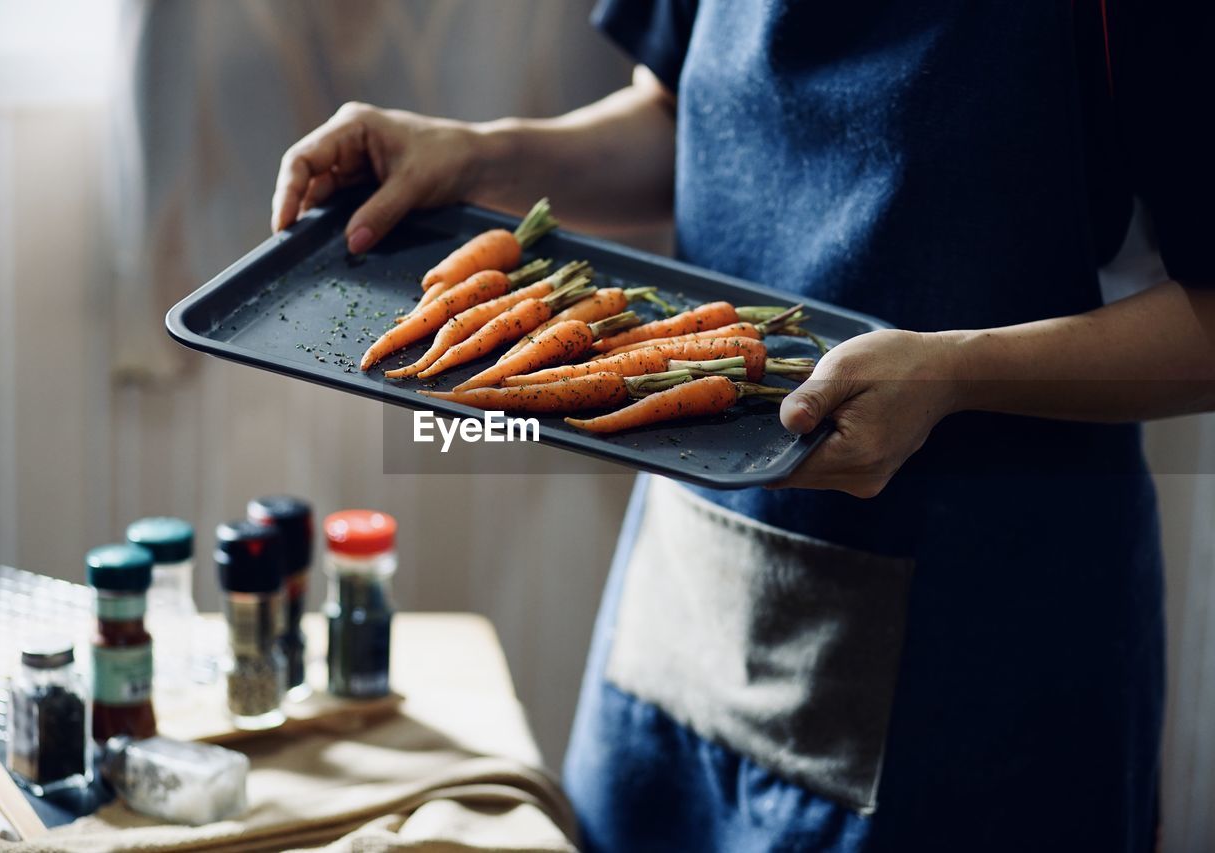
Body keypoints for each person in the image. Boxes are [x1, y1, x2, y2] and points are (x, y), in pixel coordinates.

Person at [270, 1, 1214, 849]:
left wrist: (957, 371)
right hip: (697, 572)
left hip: (981, 634)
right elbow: (691, 120)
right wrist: (478, 156)